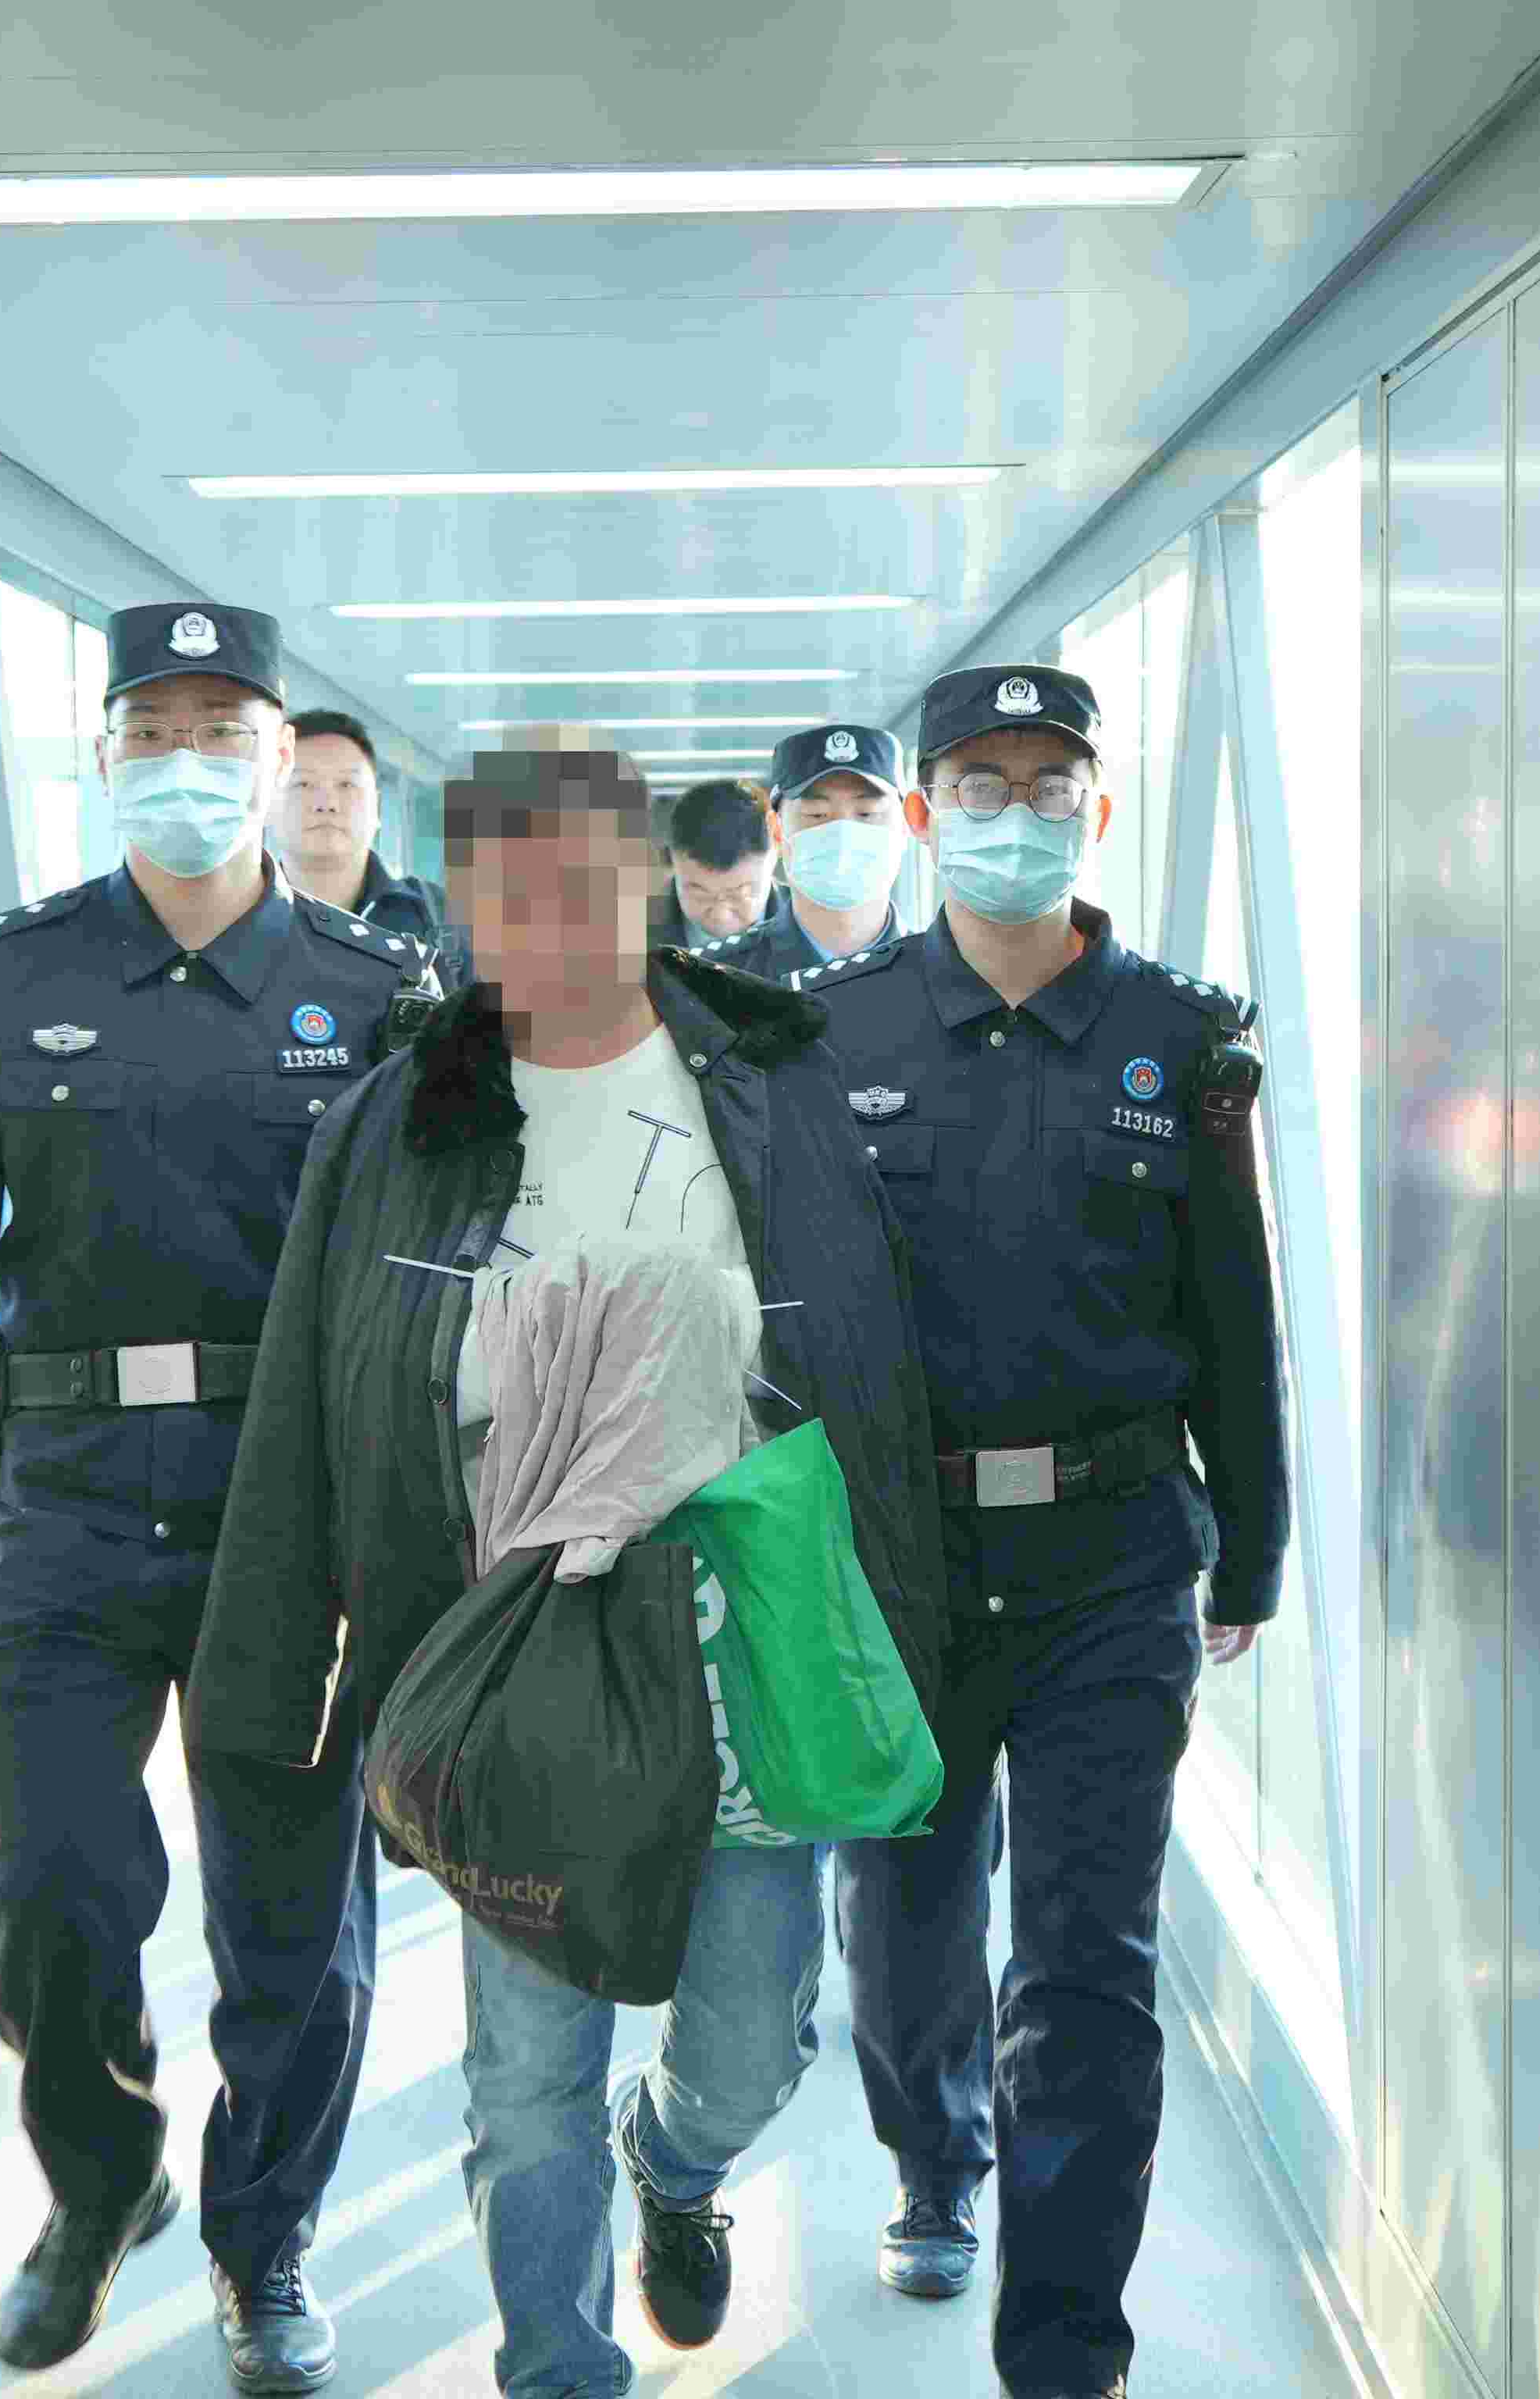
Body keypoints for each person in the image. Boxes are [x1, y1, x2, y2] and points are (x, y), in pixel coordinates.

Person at [189, 737, 949, 2399]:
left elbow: (871, 1366)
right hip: (509, 1625)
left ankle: (674, 2159)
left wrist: (906, 1620)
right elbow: (316, 1390)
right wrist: (276, 1664)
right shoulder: (402, 1116)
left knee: (749, 2038)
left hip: (736, 1623)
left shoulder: (766, 1078)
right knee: (526, 2075)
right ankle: (555, 2365)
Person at [0, 601, 437, 2392]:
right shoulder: (13, 979)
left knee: (293, 1927)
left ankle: (266, 2243)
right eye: (151, 732)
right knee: (50, 1884)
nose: (186, 764)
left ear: (279, 758)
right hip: (73, 1499)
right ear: (103, 754)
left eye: (219, 732)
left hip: (289, 1517)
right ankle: (102, 2183)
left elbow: (432, 1284)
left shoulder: (372, 993)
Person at [795, 663, 1289, 2399]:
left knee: (1086, 1964)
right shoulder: (834, 1035)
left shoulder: (1178, 1034)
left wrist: (1253, 1547)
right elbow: (784, 1319)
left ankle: (1067, 2351)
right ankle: (934, 2158)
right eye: (981, 785)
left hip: (1113, 1559)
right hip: (902, 1571)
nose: (1017, 813)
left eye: (1050, 781)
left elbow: (1233, 1311)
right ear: (923, 814)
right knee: (903, 1926)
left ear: (1098, 805)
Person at [686, 722, 912, 980]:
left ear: (905, 826)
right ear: (776, 830)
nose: (842, 835)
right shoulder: (710, 979)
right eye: (816, 814)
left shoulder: (942, 971)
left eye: (867, 813)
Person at [280, 707, 450, 954]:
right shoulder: (235, 916)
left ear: (377, 807)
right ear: (268, 803)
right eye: (303, 783)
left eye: (347, 784)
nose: (327, 804)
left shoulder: (442, 918)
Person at [646, 776, 784, 950]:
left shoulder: (814, 928)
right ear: (672, 861)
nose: (721, 917)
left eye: (742, 893)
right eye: (699, 894)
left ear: (777, 844)